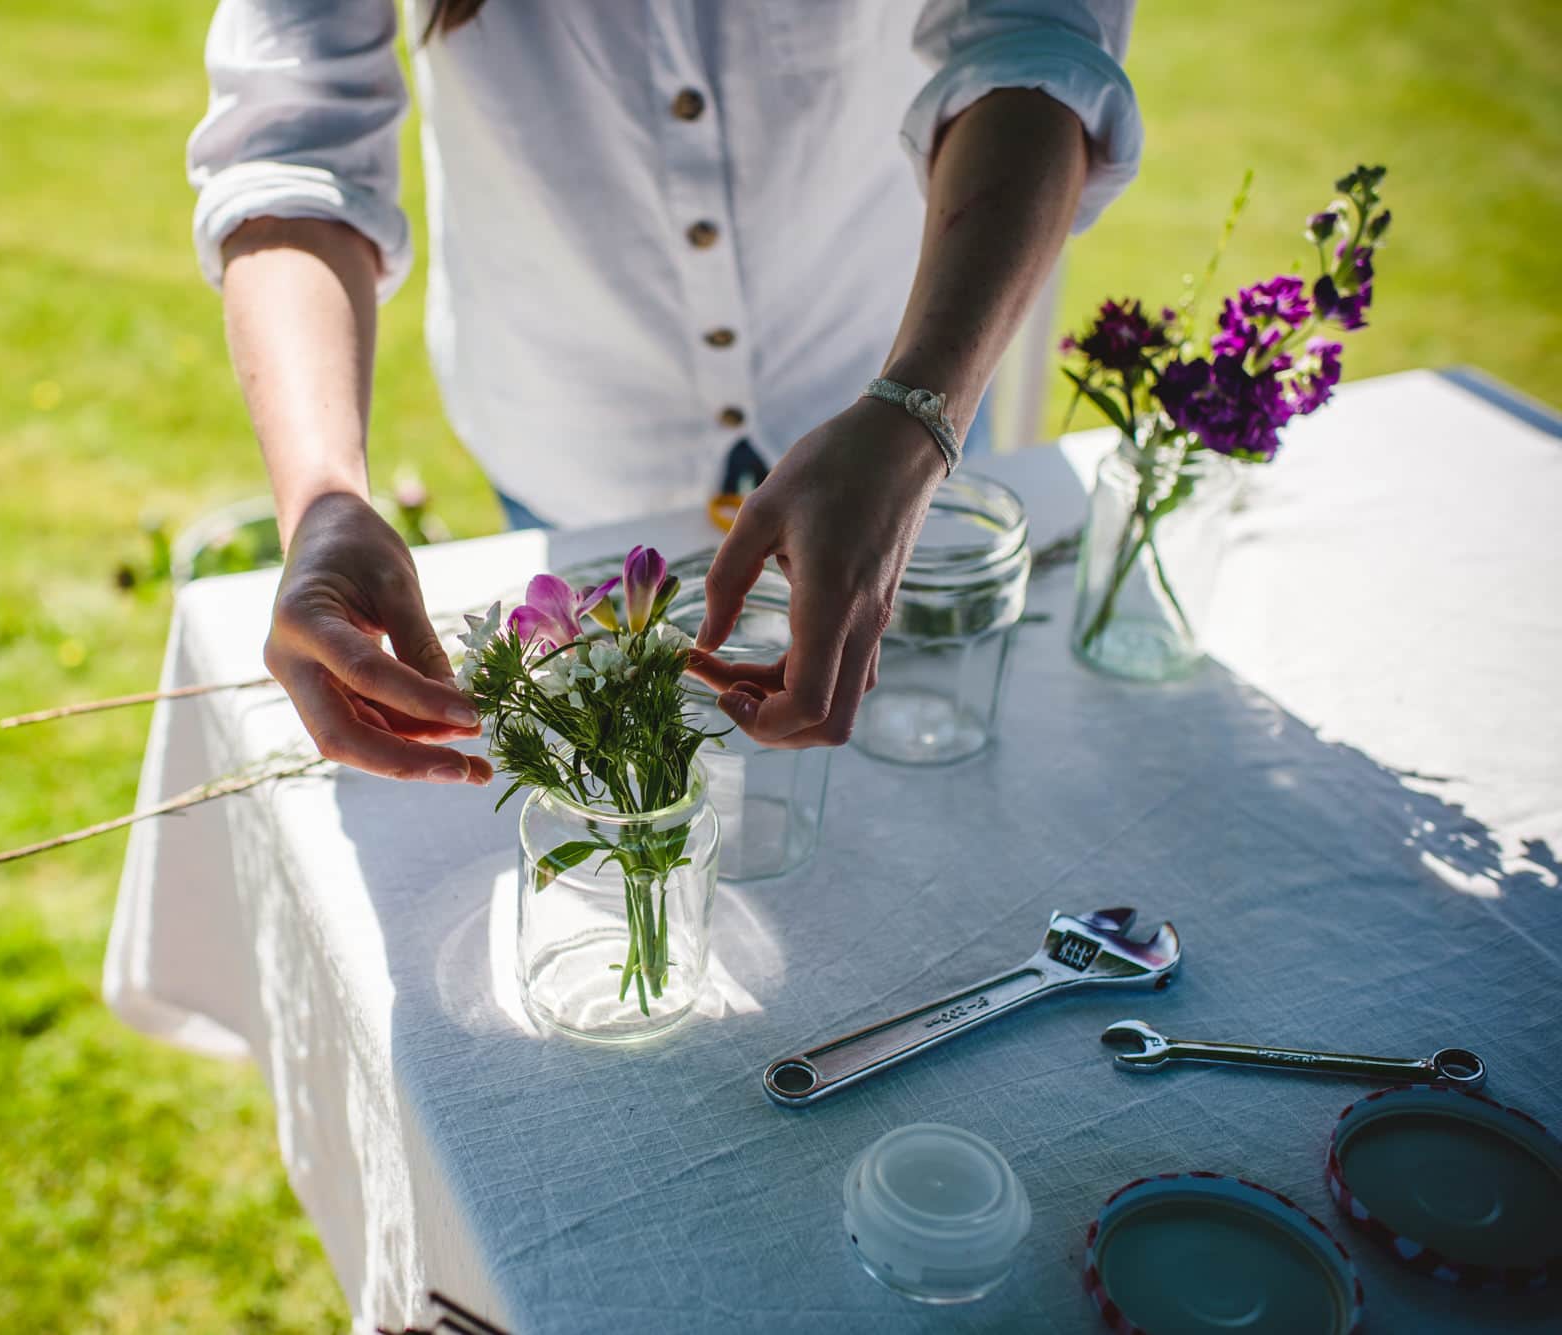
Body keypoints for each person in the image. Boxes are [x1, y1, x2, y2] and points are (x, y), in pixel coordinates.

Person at [191, 1, 1141, 785]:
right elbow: (293, 130)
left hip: (879, 403)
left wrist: (914, 414)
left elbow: (1034, 43)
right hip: (571, 429)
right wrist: (323, 495)